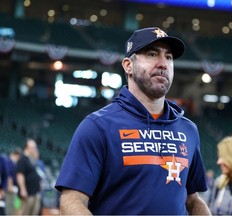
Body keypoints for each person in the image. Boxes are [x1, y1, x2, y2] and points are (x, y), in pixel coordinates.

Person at [55, 27, 211, 215]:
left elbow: (192, 200)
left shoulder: (188, 130)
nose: (163, 63)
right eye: (152, 54)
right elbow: (72, 200)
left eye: (168, 57)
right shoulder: (98, 126)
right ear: (128, 65)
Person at [16, 138, 42, 215]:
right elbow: (20, 175)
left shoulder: (31, 160)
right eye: (34, 147)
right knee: (24, 213)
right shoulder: (22, 159)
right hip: (27, 193)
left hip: (34, 192)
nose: (35, 149)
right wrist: (23, 190)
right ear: (28, 148)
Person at [5, 148, 21, 215]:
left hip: (15, 188)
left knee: (15, 206)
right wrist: (10, 187)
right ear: (17, 155)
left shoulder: (14, 163)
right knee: (9, 206)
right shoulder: (9, 162)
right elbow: (8, 176)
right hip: (10, 188)